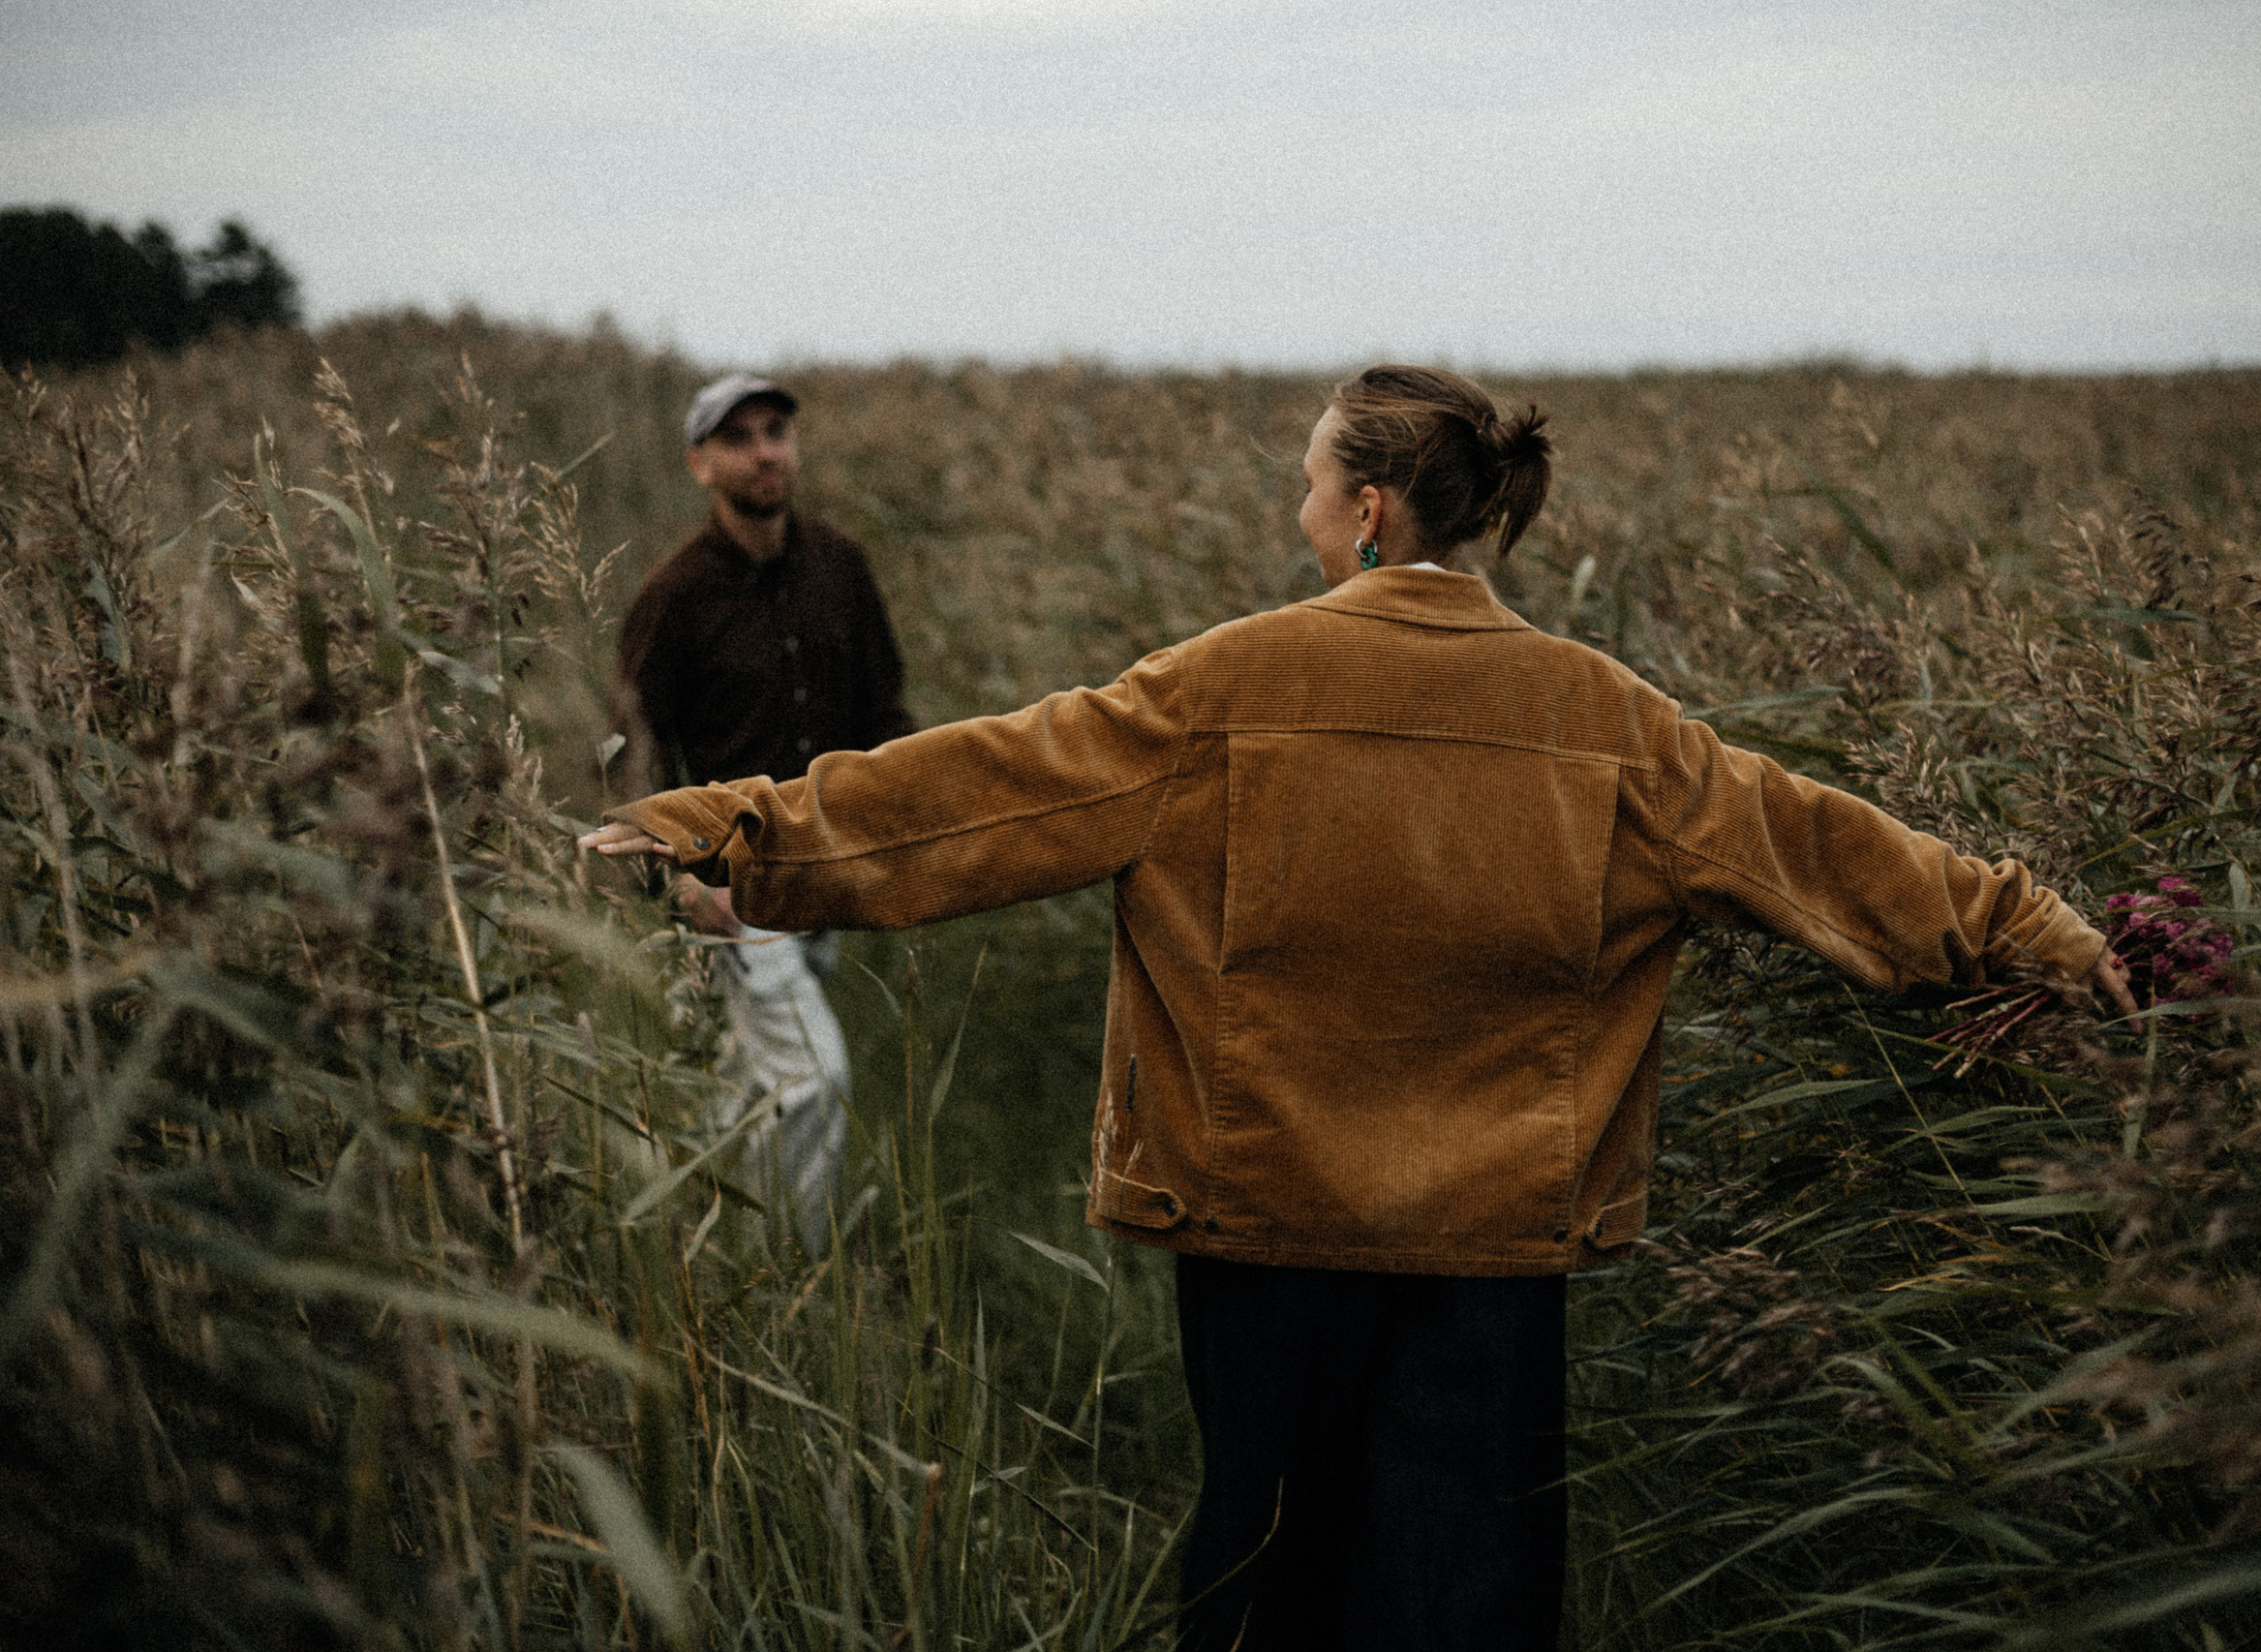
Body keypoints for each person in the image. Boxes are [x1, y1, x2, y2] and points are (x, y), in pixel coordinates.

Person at [583, 365, 2136, 1650]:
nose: (1300, 509)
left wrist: (726, 831)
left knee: (1268, 1583)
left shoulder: (1226, 684)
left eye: (1313, 483)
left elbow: (975, 794)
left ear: (1371, 510)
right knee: (1470, 1595)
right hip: (1495, 1235)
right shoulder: (1605, 716)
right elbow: (1822, 847)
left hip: (1264, 1221)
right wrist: (2036, 932)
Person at [607, 372, 917, 1255]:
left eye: (776, 429)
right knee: (814, 1078)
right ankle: (799, 1270)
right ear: (701, 465)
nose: (765, 450)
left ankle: (716, 1264)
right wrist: (687, 886)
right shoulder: (675, 596)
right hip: (734, 890)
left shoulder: (840, 566)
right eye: (738, 437)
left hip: (828, 870)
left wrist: (898, 820)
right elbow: (634, 755)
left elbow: (884, 713)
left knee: (751, 1085)